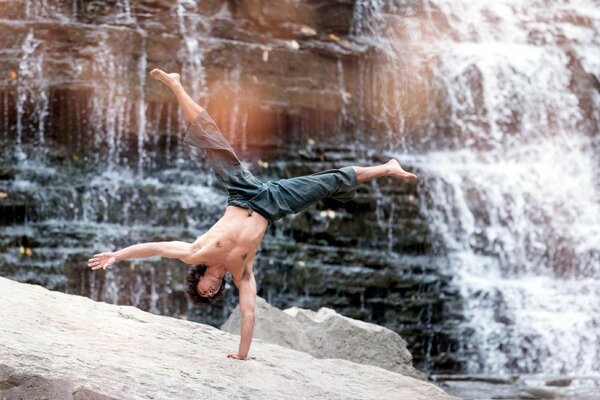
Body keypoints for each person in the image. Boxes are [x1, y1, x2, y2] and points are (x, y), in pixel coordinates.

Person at [87, 68, 417, 361]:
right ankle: (387, 168)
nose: (210, 291)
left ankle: (175, 85)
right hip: (271, 205)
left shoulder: (195, 252)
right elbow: (248, 313)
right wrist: (242, 354)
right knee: (327, 183)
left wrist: (117, 255)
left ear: (199, 278)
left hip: (242, 191)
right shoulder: (242, 273)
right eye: (212, 295)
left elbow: (156, 247)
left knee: (210, 137)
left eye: (203, 290)